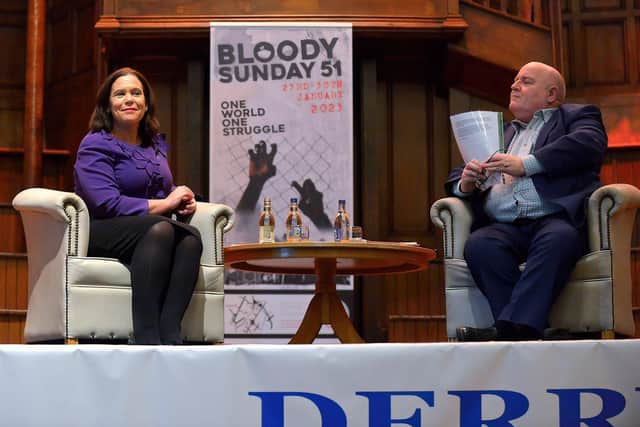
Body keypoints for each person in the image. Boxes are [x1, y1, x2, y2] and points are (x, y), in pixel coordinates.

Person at [445, 61, 608, 341]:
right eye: (514, 81)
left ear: (551, 94)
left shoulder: (575, 116)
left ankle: (506, 332)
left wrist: (527, 165)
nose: (513, 86)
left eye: (526, 81)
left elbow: (588, 143)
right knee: (480, 245)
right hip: (505, 225)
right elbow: (458, 173)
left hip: (553, 218)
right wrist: (466, 182)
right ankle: (530, 330)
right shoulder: (502, 132)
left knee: (559, 239)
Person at [74, 67, 202, 345]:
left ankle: (170, 333)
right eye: (120, 94)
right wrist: (165, 203)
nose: (129, 99)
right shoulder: (94, 144)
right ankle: (146, 336)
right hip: (101, 229)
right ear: (108, 104)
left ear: (146, 104)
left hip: (146, 226)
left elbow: (160, 190)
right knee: (160, 230)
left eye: (136, 93)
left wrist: (181, 200)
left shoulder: (154, 145)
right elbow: (106, 203)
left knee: (191, 239)